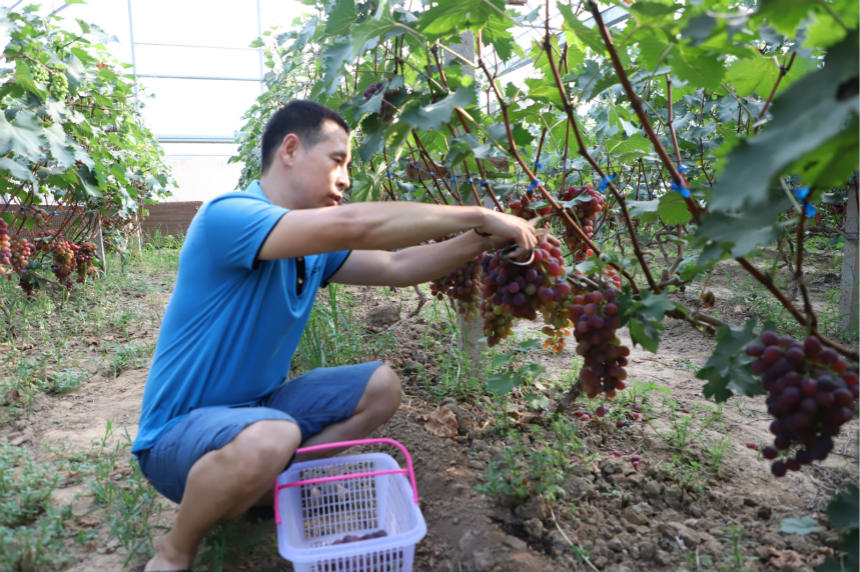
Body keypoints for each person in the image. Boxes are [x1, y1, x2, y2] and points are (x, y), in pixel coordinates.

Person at [133, 99, 539, 572]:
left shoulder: (311, 250)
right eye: (337, 160)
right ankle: (176, 550)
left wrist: (483, 241)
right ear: (290, 149)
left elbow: (398, 265)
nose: (346, 177)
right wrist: (477, 214)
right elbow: (356, 225)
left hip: (257, 412)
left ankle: (273, 485)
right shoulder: (229, 216)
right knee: (272, 436)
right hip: (177, 438)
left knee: (381, 386)